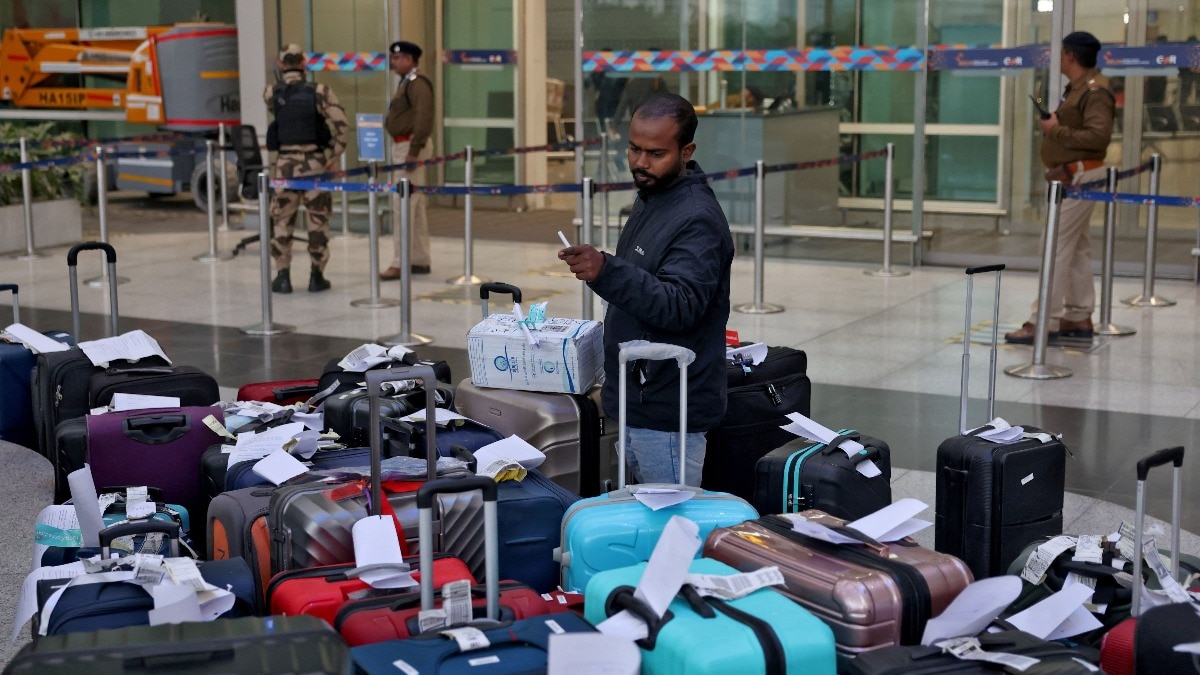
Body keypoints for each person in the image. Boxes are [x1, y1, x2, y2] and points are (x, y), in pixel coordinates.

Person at [558, 93, 733, 486]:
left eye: (655, 153)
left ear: (686, 151)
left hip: (670, 408)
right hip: (640, 394)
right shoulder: (654, 197)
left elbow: (681, 305)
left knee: (669, 525)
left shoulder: (696, 218)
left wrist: (606, 270)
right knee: (643, 519)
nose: (639, 162)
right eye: (634, 149)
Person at [1005, 31, 1114, 345]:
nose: (1059, 59)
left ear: (1071, 56)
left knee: (1052, 246)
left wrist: (1057, 129)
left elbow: (1098, 138)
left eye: (1062, 53)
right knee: (1076, 248)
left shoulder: (1095, 91)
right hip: (1074, 175)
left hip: (1080, 175)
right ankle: (1078, 316)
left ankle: (1043, 322)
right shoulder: (1080, 89)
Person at [264, 44, 348, 294]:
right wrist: (333, 154)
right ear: (304, 63)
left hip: (284, 168)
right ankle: (316, 276)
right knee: (317, 221)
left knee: (281, 221)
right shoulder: (321, 91)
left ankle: (282, 276)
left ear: (280, 65)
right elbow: (342, 125)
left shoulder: (271, 92)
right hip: (315, 165)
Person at [381, 40, 435, 279]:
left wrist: (414, 148)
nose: (394, 62)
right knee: (414, 204)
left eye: (398, 58)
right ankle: (419, 258)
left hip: (409, 146)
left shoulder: (417, 83)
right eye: (393, 58)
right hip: (406, 144)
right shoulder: (407, 82)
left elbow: (424, 115)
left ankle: (400, 262)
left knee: (401, 203)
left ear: (410, 60)